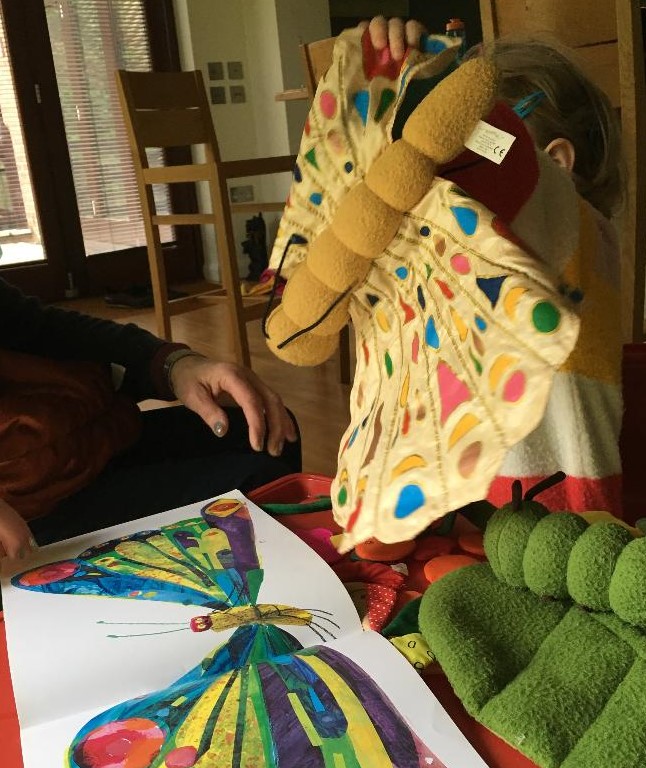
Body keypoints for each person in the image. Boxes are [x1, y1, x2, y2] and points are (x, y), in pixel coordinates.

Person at [363, 16, 626, 516]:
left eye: (478, 149)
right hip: (479, 505)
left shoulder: (574, 233)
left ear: (558, 167)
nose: (453, 182)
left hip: (560, 519)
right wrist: (392, 97)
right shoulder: (479, 255)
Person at [0, 276, 300, 559]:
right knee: (259, 483)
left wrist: (175, 365)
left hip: (78, 440)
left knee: (272, 428)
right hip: (31, 499)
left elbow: (45, 328)